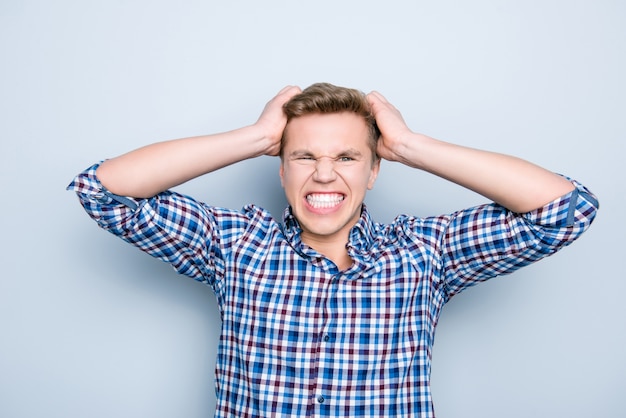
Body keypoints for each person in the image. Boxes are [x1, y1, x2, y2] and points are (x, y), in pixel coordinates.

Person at [68, 82, 599, 417]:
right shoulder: (235, 245)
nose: (324, 173)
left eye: (347, 157)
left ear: (373, 171)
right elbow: (104, 191)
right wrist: (253, 137)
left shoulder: (423, 253)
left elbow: (565, 210)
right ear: (280, 170)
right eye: (304, 156)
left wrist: (411, 146)